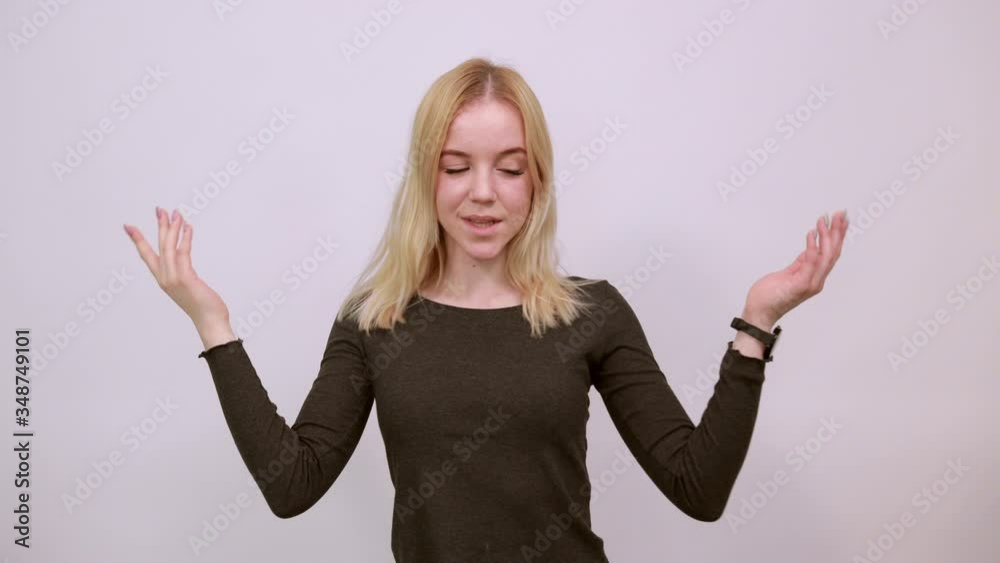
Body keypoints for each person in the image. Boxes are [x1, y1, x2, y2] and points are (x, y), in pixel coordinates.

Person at [123, 57, 847, 562]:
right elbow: (292, 484)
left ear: (536, 182)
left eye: (508, 168)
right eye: (456, 166)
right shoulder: (374, 320)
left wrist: (756, 323)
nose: (482, 192)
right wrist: (213, 325)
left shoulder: (591, 313)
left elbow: (699, 486)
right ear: (426, 177)